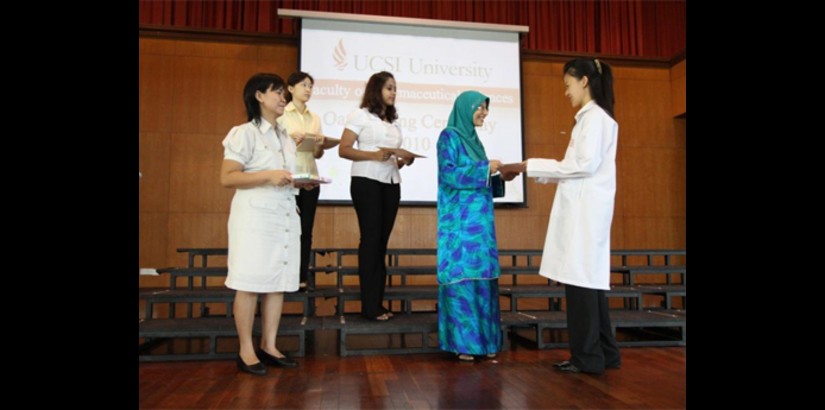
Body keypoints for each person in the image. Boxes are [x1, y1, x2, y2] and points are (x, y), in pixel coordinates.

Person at [523, 58, 621, 374]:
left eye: (567, 85)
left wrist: (530, 165)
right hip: (587, 212)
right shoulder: (593, 119)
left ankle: (587, 358)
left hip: (585, 214)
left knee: (581, 286)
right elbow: (574, 165)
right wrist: (533, 169)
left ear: (583, 81)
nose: (565, 92)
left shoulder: (595, 119)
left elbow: (583, 164)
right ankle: (605, 354)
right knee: (590, 285)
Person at [220, 73, 316, 375]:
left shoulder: (286, 137)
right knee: (249, 283)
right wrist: (268, 175)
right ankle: (246, 350)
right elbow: (228, 177)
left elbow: (287, 175)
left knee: (277, 282)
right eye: (276, 92)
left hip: (285, 213)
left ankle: (270, 345)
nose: (282, 97)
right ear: (259, 96)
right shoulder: (244, 132)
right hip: (255, 217)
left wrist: (304, 182)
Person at [437, 90, 512, 362]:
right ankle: (465, 344)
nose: (484, 112)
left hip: (480, 225)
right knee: (463, 279)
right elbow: (448, 174)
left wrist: (501, 175)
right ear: (465, 107)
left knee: (484, 279)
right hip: (459, 225)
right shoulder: (449, 136)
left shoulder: (475, 142)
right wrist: (484, 169)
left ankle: (487, 342)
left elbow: (480, 179)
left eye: (485, 108)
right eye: (479, 107)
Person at [338, 71, 415, 321]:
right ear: (376, 90)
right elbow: (344, 149)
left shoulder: (394, 121)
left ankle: (377, 303)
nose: (393, 92)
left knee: (381, 243)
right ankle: (369, 306)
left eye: (395, 88)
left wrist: (404, 160)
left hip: (391, 182)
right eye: (389, 88)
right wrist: (373, 155)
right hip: (366, 181)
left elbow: (391, 158)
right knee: (370, 240)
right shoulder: (359, 115)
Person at [277, 71, 340, 291]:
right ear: (291, 88)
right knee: (287, 228)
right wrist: (291, 140)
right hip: (289, 178)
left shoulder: (315, 118)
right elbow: (276, 146)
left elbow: (317, 154)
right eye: (304, 85)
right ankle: (282, 276)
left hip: (310, 178)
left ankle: (301, 277)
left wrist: (320, 144)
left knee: (306, 230)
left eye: (311, 86)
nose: (308, 89)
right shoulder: (282, 114)